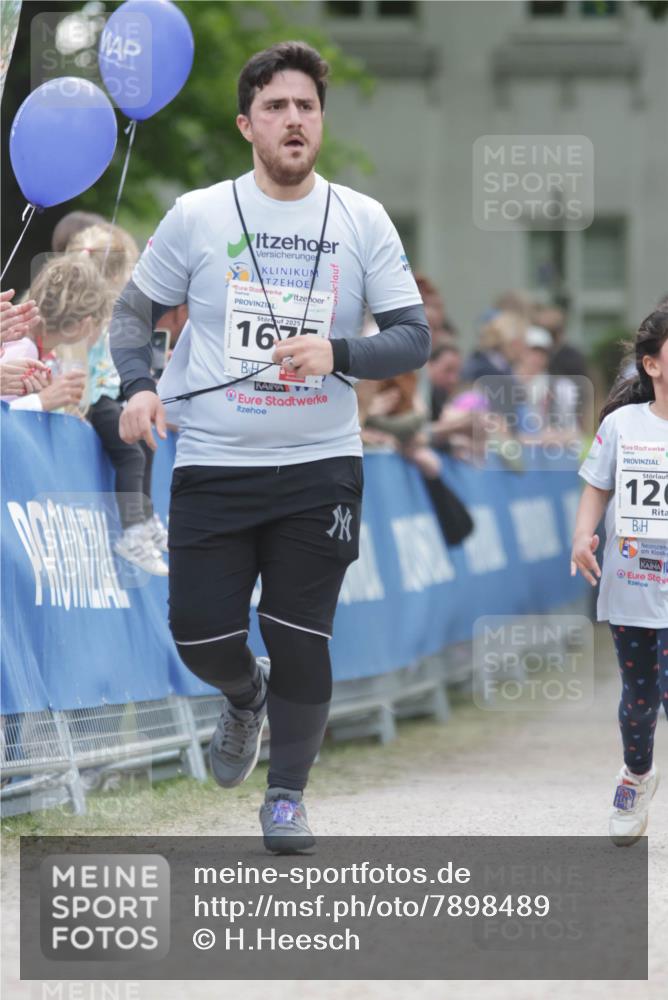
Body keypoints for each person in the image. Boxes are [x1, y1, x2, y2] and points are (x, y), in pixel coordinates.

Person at [110, 40, 430, 854]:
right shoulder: (199, 214)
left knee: (299, 634)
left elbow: (413, 336)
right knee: (198, 635)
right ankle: (244, 695)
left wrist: (338, 352)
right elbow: (132, 312)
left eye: (307, 107)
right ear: (246, 123)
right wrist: (139, 385)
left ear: (321, 122)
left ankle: (286, 796)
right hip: (216, 459)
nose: (294, 120)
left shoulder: (361, 218)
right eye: (277, 107)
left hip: (322, 464)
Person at [571, 309, 668, 846]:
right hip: (632, 580)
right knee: (639, 698)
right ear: (652, 365)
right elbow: (597, 486)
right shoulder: (622, 425)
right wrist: (582, 536)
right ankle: (636, 775)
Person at [66, 223, 169, 575]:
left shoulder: (115, 312)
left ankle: (147, 517)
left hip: (108, 393)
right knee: (131, 455)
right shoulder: (85, 311)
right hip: (93, 398)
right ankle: (133, 531)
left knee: (145, 444)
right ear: (115, 275)